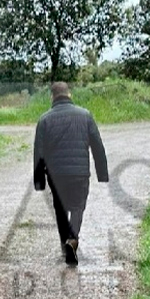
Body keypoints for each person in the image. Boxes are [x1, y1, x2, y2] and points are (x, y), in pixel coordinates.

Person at [33, 81, 109, 266]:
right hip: (79, 173)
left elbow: (38, 153)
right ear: (70, 95)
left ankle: (64, 244)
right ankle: (72, 240)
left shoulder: (44, 119)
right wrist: (102, 173)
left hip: (56, 175)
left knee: (59, 209)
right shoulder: (85, 115)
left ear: (52, 97)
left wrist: (39, 181)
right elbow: (98, 146)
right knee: (77, 207)